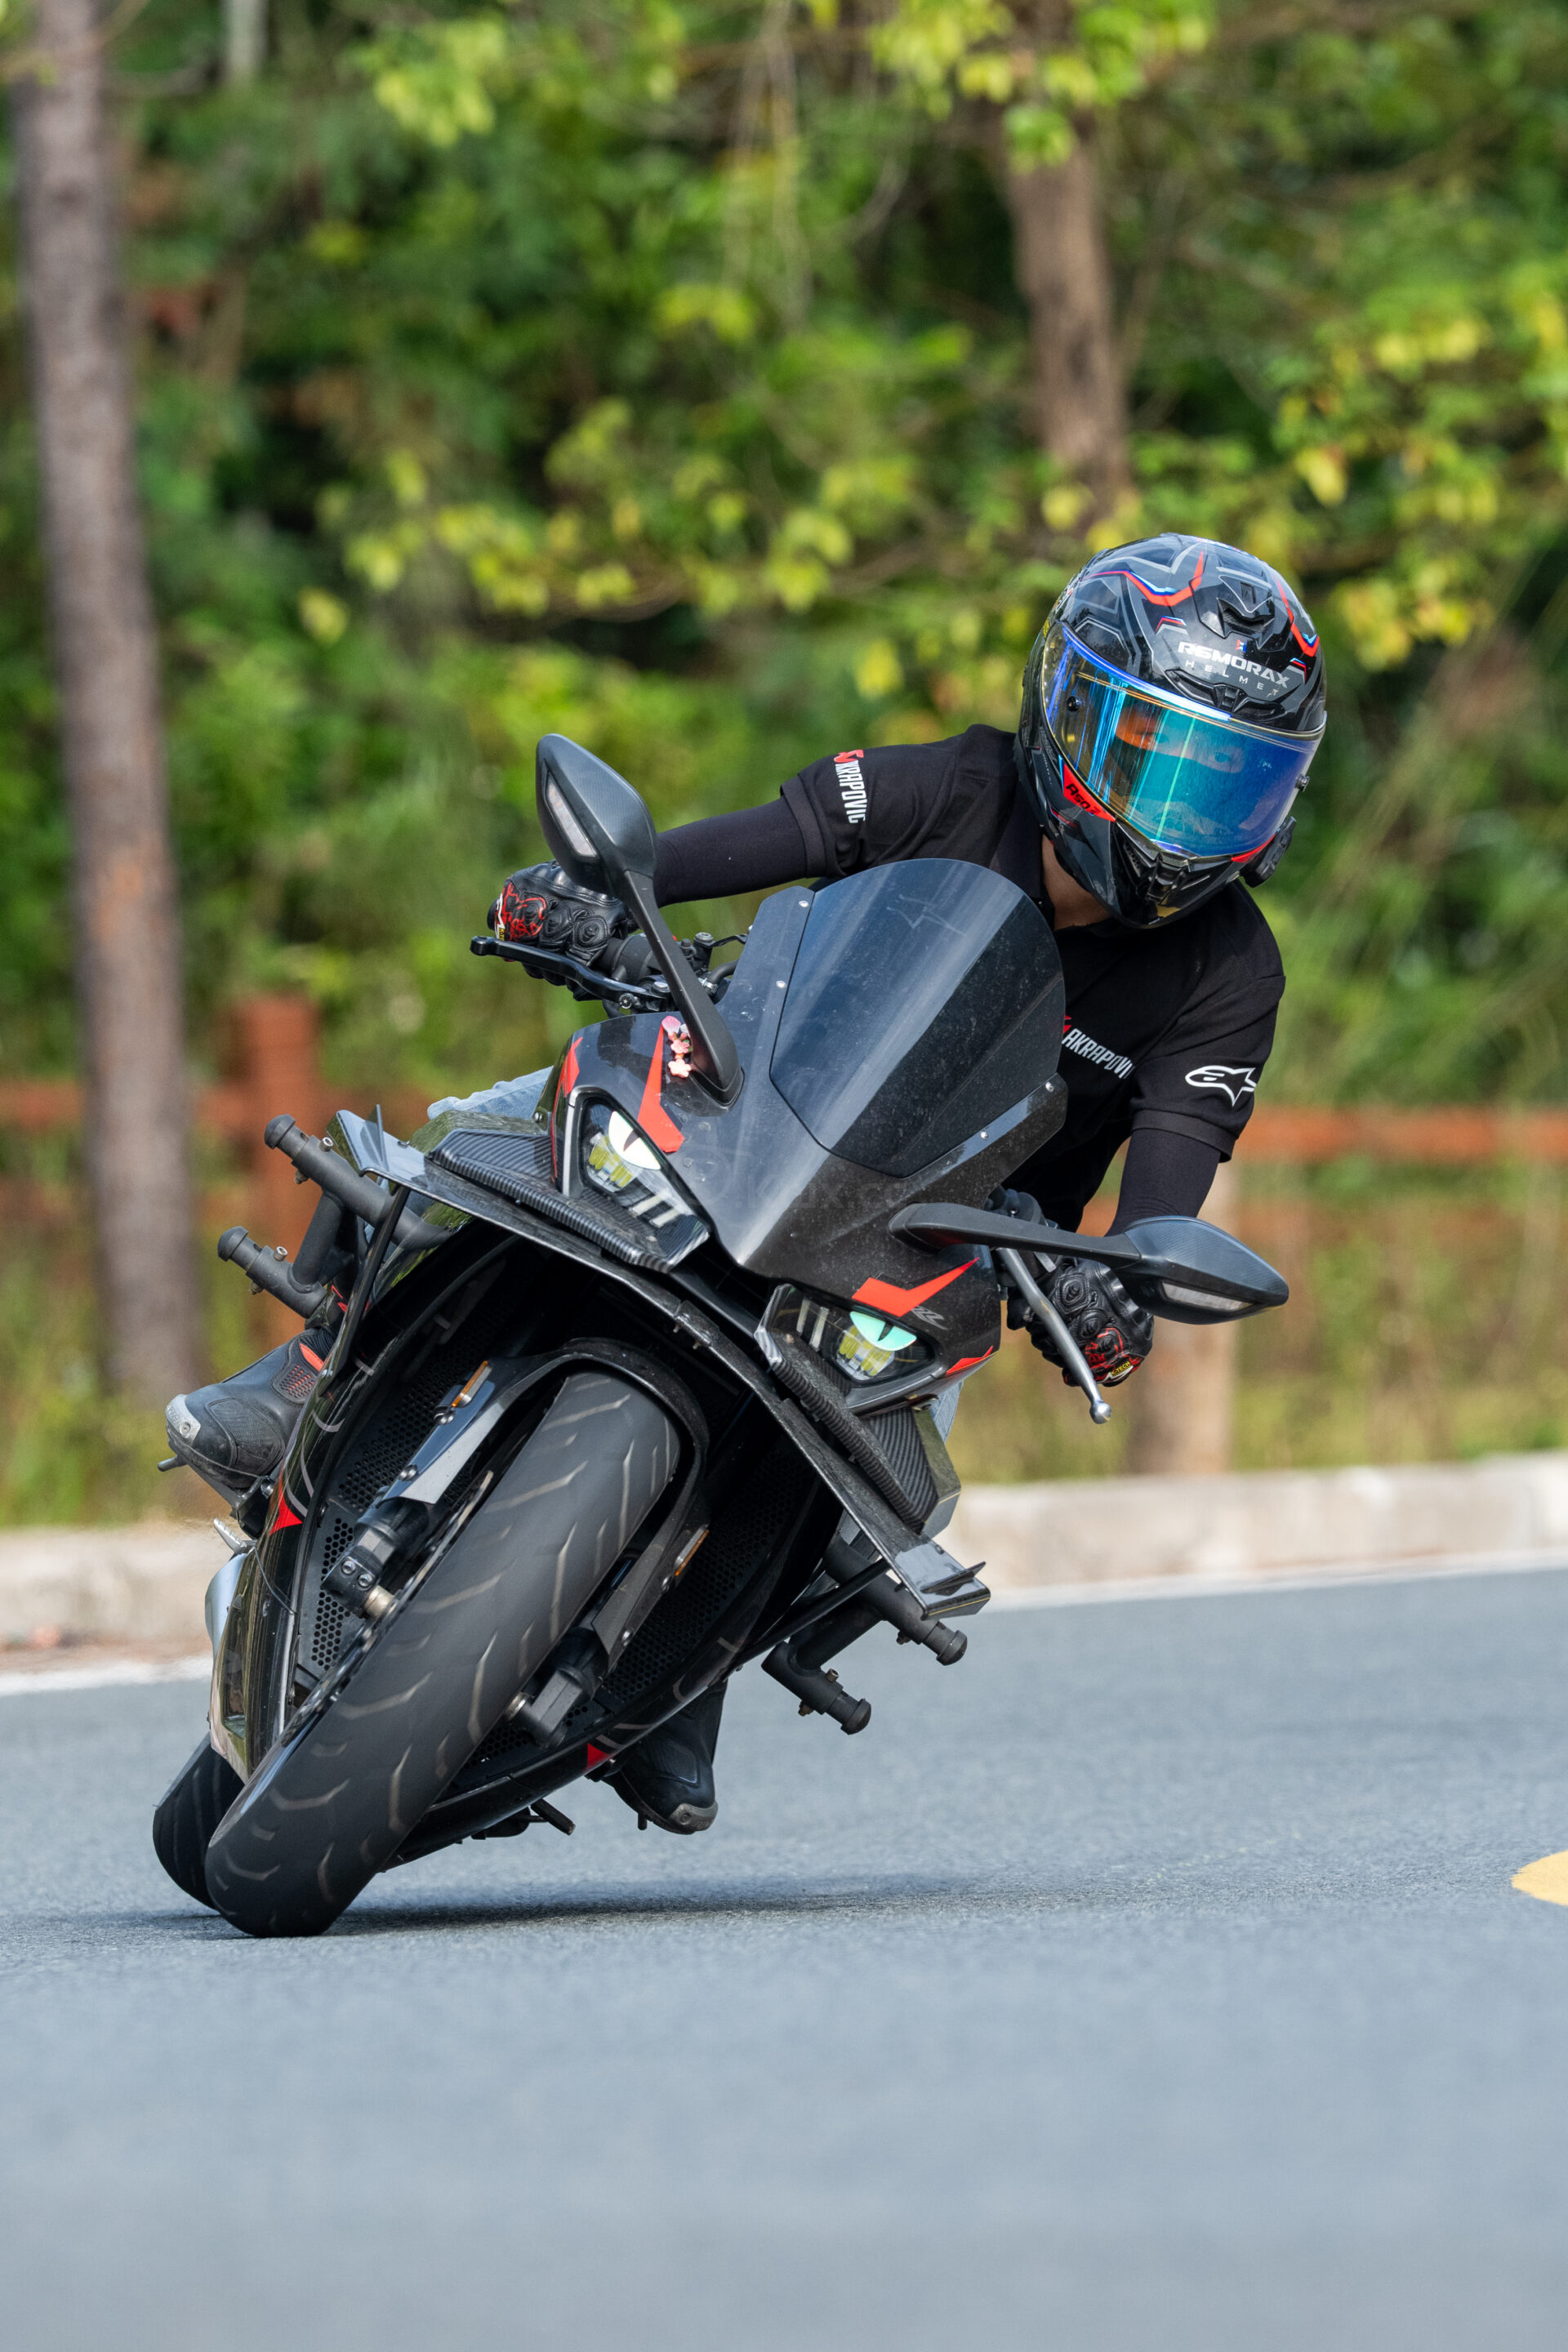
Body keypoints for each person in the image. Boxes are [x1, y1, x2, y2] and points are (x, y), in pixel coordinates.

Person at [166, 532, 1325, 1832]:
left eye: (1230, 788)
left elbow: (1166, 1196)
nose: (1184, 820)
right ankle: (300, 1379)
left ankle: (678, 1673)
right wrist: (588, 899)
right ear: (1070, 716)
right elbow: (718, 855)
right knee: (482, 1128)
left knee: (876, 1500)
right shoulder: (952, 784)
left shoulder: (1233, 973)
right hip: (745, 1110)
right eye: (1161, 764)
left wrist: (1123, 1287)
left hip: (940, 1244)